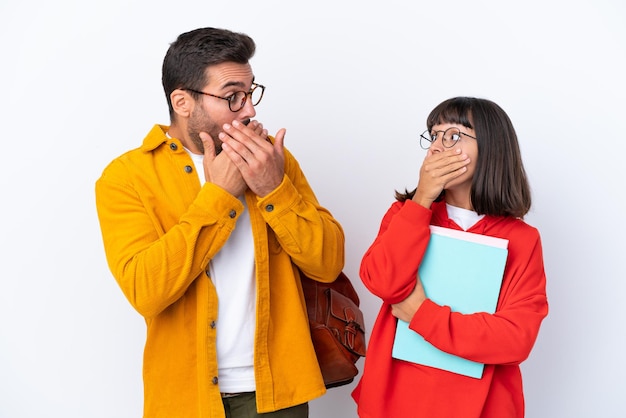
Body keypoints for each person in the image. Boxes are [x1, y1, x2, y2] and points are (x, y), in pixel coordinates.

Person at [95, 27, 345, 418]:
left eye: (250, 93)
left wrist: (274, 188)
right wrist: (219, 197)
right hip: (185, 399)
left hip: (279, 392)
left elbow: (327, 262)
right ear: (182, 101)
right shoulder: (127, 177)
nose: (249, 110)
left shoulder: (272, 160)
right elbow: (146, 290)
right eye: (232, 97)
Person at [351, 97, 548, 417]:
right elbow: (383, 282)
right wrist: (423, 198)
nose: (437, 147)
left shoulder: (522, 240)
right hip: (396, 400)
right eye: (434, 135)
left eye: (454, 136)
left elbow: (515, 339)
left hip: (483, 406)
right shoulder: (405, 214)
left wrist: (422, 314)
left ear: (491, 148)